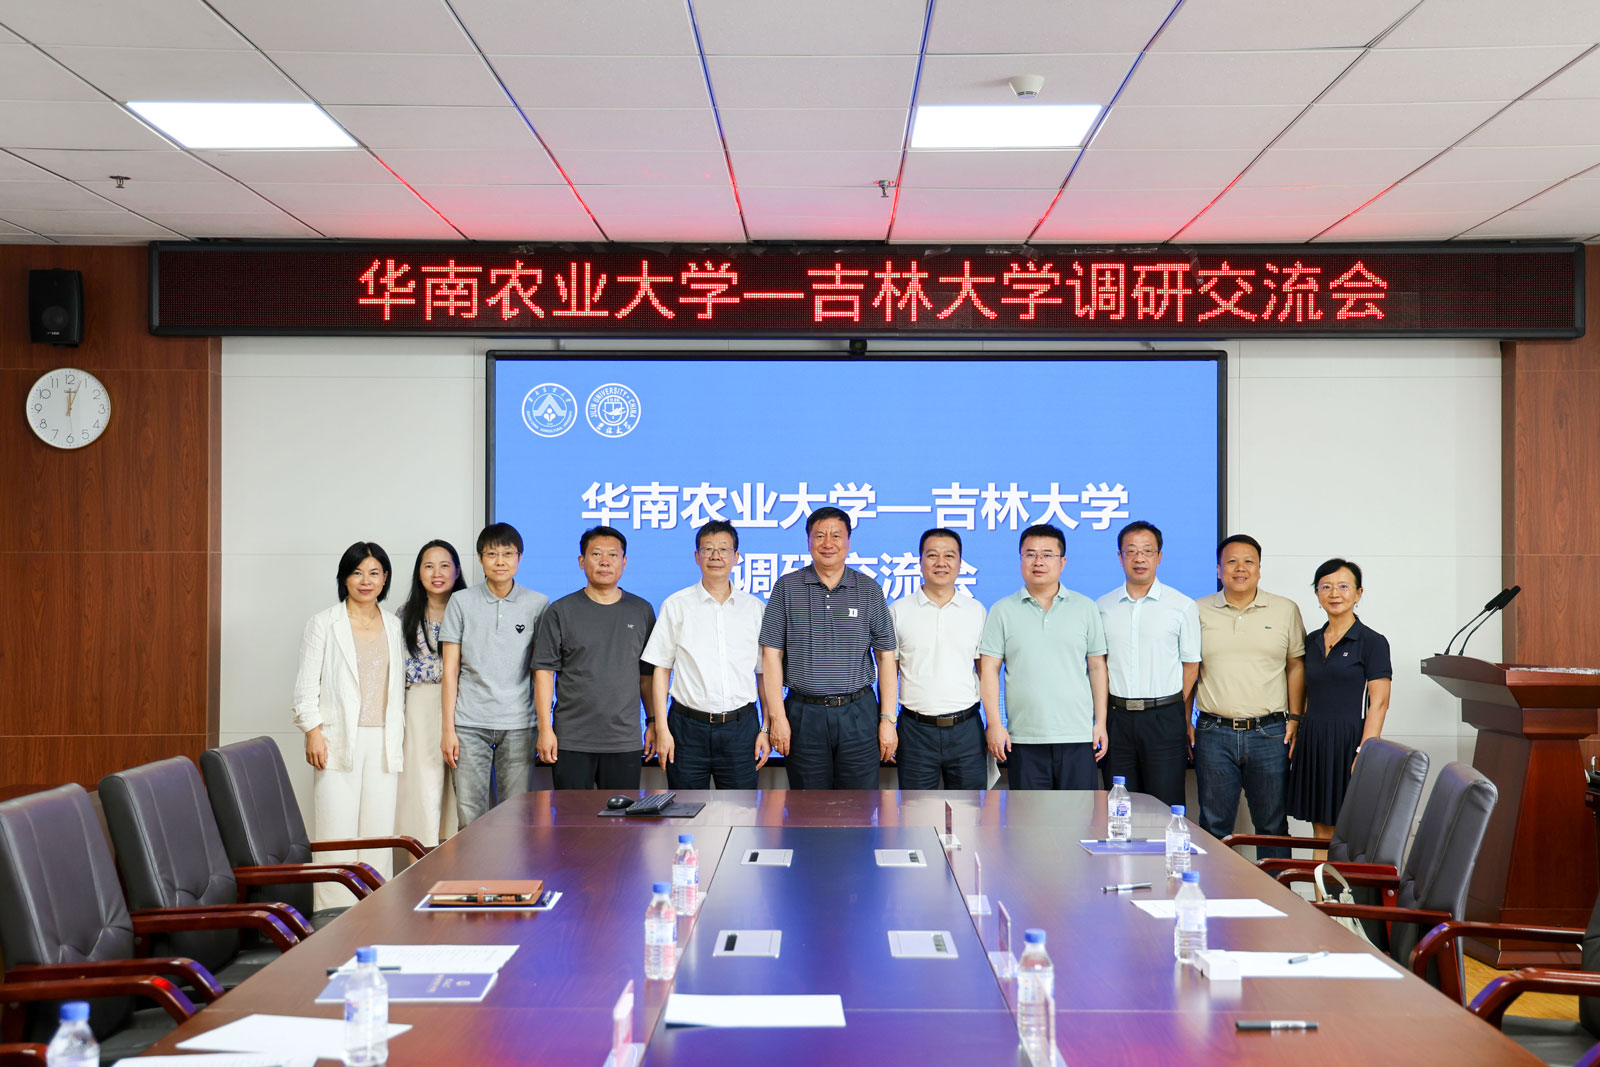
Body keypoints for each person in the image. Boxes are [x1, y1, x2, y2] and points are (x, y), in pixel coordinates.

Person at [291, 541, 405, 911]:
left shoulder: (394, 625)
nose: (365, 581)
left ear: (385, 579)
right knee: (335, 834)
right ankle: (332, 916)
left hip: (384, 740)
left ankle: (378, 913)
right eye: (357, 573)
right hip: (337, 738)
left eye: (374, 573)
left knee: (377, 836)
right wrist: (313, 731)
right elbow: (306, 686)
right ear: (344, 578)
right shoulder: (324, 623)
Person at [759, 506, 897, 790]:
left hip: (858, 713)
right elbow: (771, 655)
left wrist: (887, 719)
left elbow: (885, 657)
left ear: (848, 542)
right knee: (807, 805)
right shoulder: (786, 588)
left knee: (860, 805)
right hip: (804, 713)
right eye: (819, 535)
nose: (828, 543)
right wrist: (777, 717)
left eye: (836, 535)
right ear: (808, 541)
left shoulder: (869, 589)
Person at [1192, 534, 1306, 859]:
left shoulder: (1284, 609)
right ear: (1218, 570)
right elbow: (1189, 670)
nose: (1240, 568)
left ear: (1259, 568)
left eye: (1248, 562)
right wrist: (1185, 722)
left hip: (1270, 733)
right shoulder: (1197, 610)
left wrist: (1295, 718)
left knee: (1272, 826)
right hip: (1214, 732)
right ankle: (1211, 889)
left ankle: (1276, 891)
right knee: (1213, 827)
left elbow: (1296, 665)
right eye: (1231, 561)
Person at [980, 524, 1108, 790]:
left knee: (1080, 813)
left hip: (1077, 736)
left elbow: (1097, 668)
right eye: (1030, 554)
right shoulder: (1002, 610)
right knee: (1028, 816)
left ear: (1063, 562)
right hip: (1023, 738)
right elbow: (989, 670)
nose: (1038, 562)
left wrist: (1101, 723)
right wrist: (994, 724)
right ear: (1020, 560)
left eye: (1047, 555)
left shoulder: (1085, 608)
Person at [644, 520, 769, 789]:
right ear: (696, 556)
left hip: (741, 729)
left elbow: (763, 675)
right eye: (708, 549)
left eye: (724, 549)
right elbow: (661, 670)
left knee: (741, 810)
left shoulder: (754, 609)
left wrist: (766, 728)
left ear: (736, 557)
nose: (715, 556)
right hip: (686, 729)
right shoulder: (676, 605)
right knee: (686, 809)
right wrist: (662, 729)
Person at [440, 523, 548, 826]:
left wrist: (544, 726)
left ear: (519, 558)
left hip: (519, 724)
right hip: (469, 723)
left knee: (516, 816)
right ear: (480, 558)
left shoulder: (538, 604)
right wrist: (448, 729)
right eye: (492, 554)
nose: (500, 561)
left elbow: (541, 671)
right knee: (469, 814)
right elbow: (450, 670)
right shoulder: (461, 601)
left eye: (508, 554)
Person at [534, 526, 658, 790]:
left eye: (613, 555)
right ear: (582, 561)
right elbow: (544, 672)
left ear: (624, 562)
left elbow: (647, 676)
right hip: (571, 740)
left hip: (623, 740)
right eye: (596, 554)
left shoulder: (641, 610)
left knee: (622, 815)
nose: (605, 561)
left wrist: (653, 721)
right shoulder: (561, 610)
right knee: (571, 814)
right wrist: (545, 729)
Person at [1095, 520, 1200, 807]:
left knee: (1165, 804)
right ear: (1120, 557)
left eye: (1147, 551)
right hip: (1117, 718)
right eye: (1131, 551)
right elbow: (1098, 665)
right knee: (1120, 806)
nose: (1139, 558)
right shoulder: (1102, 607)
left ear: (1159, 557)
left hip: (1164, 718)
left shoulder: (1182, 606)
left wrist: (1172, 705)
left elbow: (1191, 666)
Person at [1287, 558, 1392, 842]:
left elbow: (1379, 703)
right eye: (1326, 587)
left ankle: (1343, 876)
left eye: (1343, 586)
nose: (1335, 594)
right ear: (1317, 593)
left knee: (1347, 831)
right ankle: (1321, 875)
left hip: (1349, 742)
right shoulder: (1311, 641)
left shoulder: (1372, 642)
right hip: (1313, 741)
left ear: (1358, 594)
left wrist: (1364, 751)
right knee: (1320, 829)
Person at [890, 528, 987, 789]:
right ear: (920, 561)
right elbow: (889, 672)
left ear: (960, 563)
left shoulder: (976, 611)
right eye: (932, 555)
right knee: (916, 810)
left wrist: (994, 724)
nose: (940, 563)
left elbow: (986, 673)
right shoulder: (898, 610)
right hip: (915, 729)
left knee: (970, 809)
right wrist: (887, 721)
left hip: (966, 729)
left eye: (949, 556)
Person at [394, 539, 467, 847]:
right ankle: (419, 864)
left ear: (457, 571)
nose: (437, 573)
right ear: (419, 573)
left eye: (444, 565)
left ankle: (455, 865)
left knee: (459, 791)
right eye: (429, 566)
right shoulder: (404, 615)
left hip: (464, 705)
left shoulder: (470, 609)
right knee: (421, 787)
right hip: (419, 707)